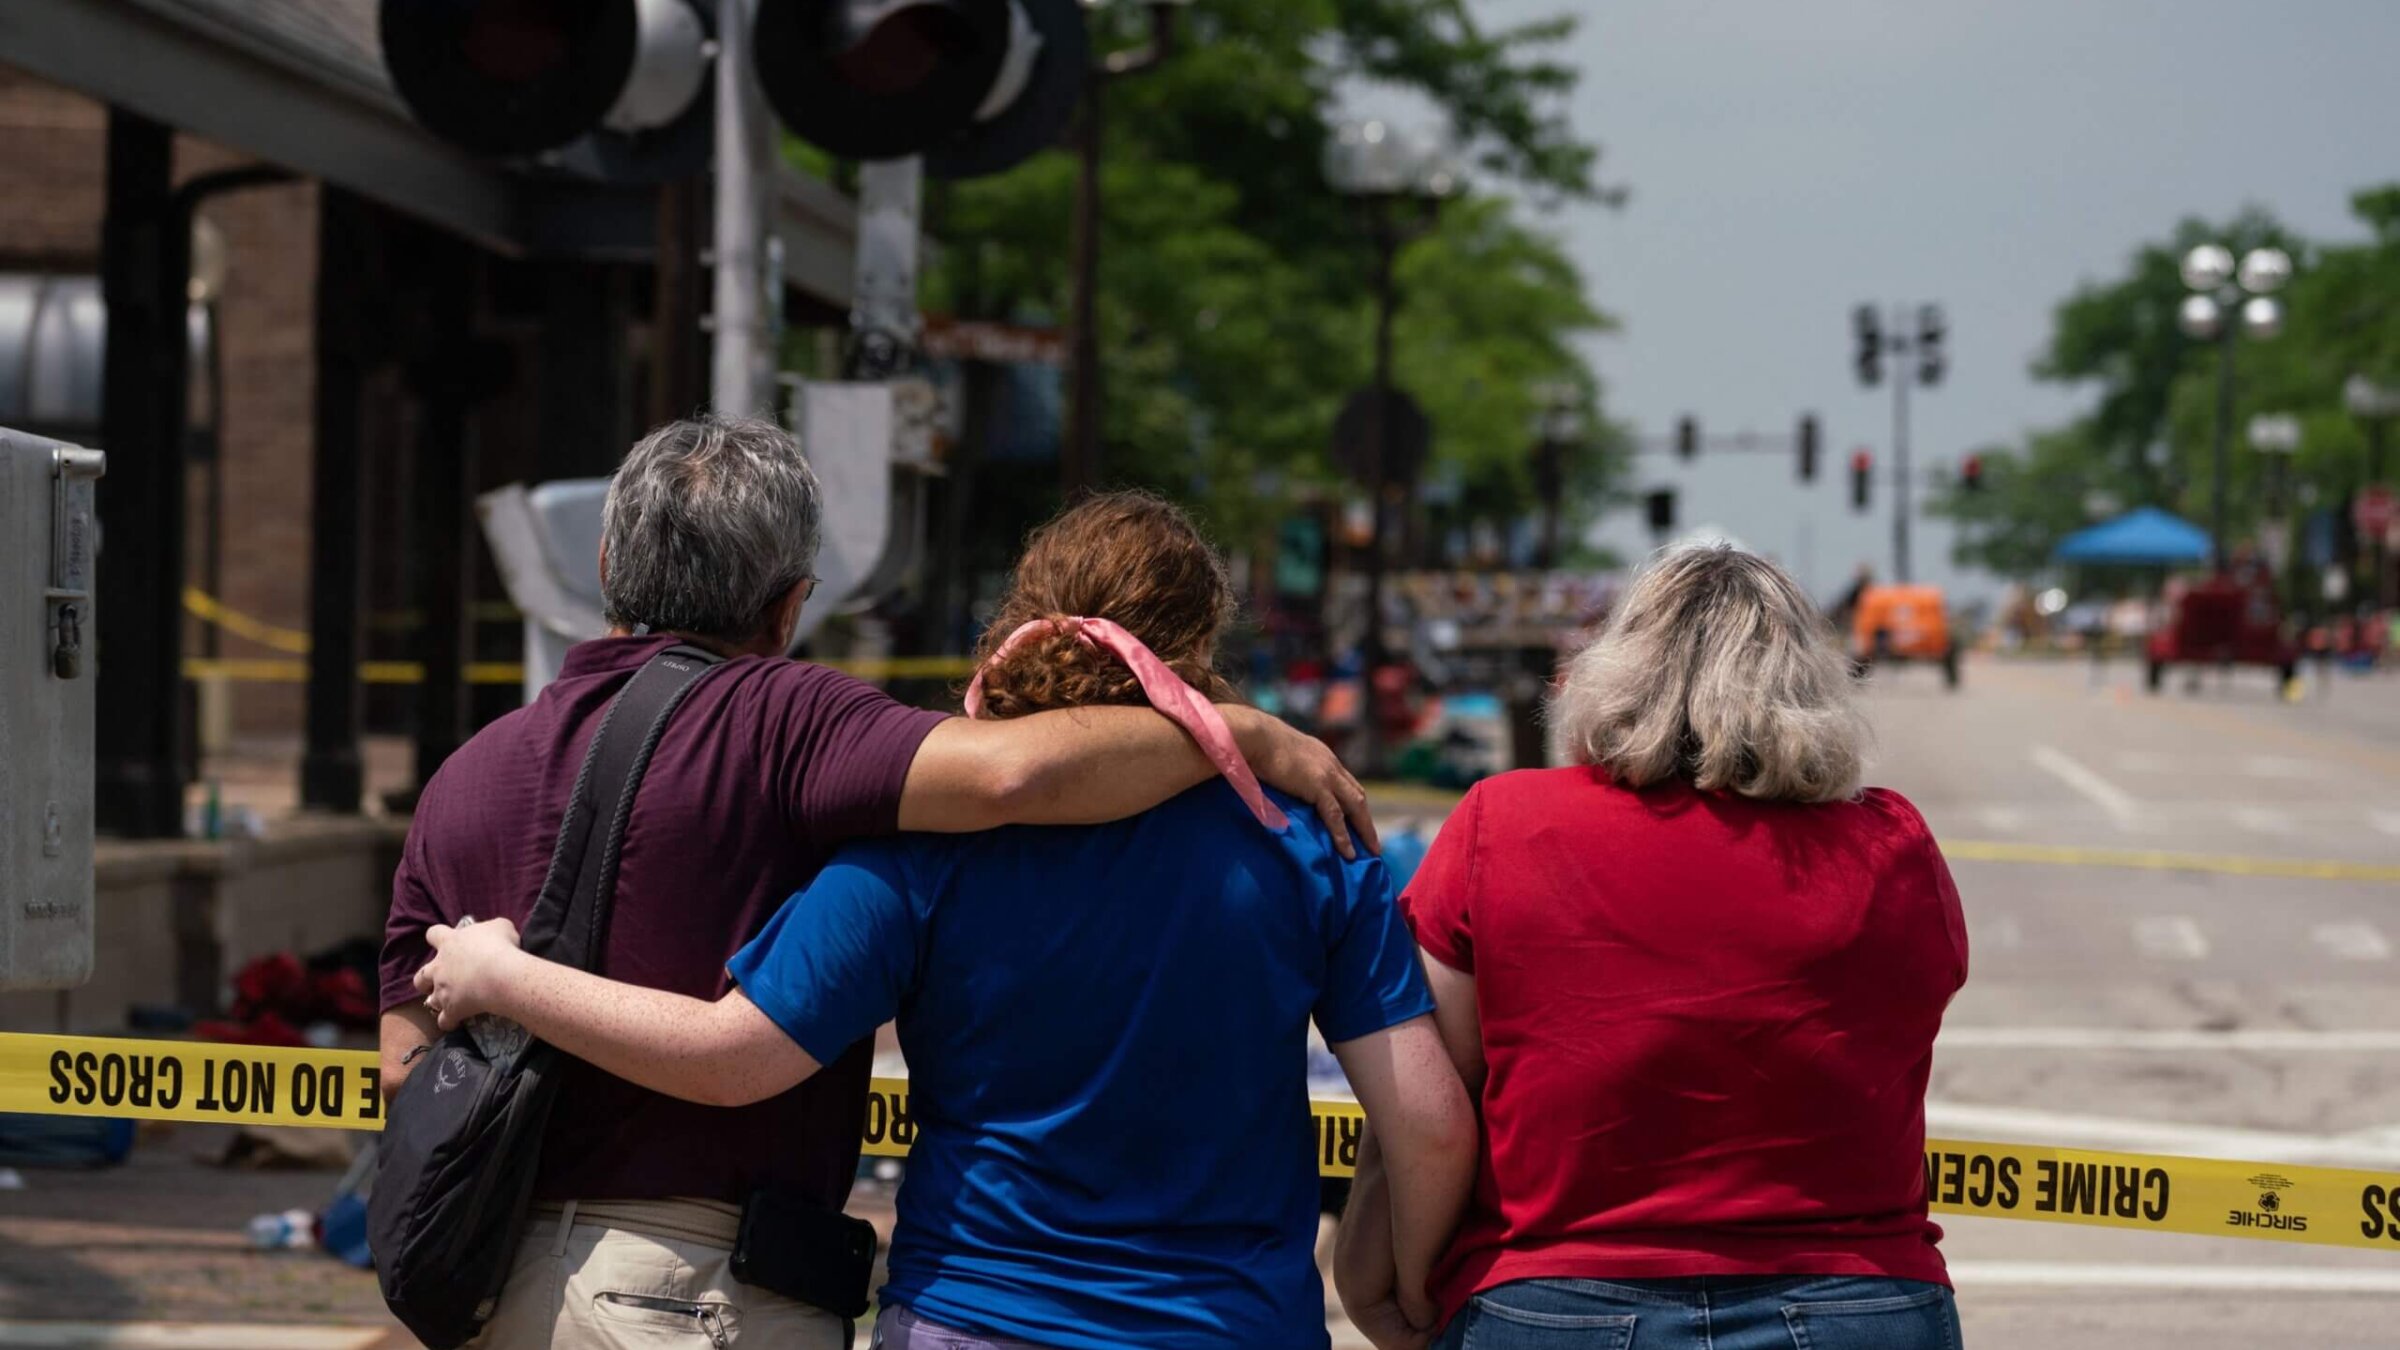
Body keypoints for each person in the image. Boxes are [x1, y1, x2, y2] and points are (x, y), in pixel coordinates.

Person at [378, 424, 1377, 1350]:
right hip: (707, 1295)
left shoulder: (464, 777)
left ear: (605, 569)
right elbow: (1010, 773)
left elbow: (402, 1069)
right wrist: (1233, 730)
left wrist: (510, 995)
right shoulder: (789, 723)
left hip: (499, 1286)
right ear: (790, 601)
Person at [1337, 544, 1969, 1350]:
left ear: (1615, 669)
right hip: (1858, 1298)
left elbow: (1426, 1104)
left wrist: (1399, 1273)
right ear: (1810, 683)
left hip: (1555, 1299)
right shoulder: (1891, 845)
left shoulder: (1504, 823)